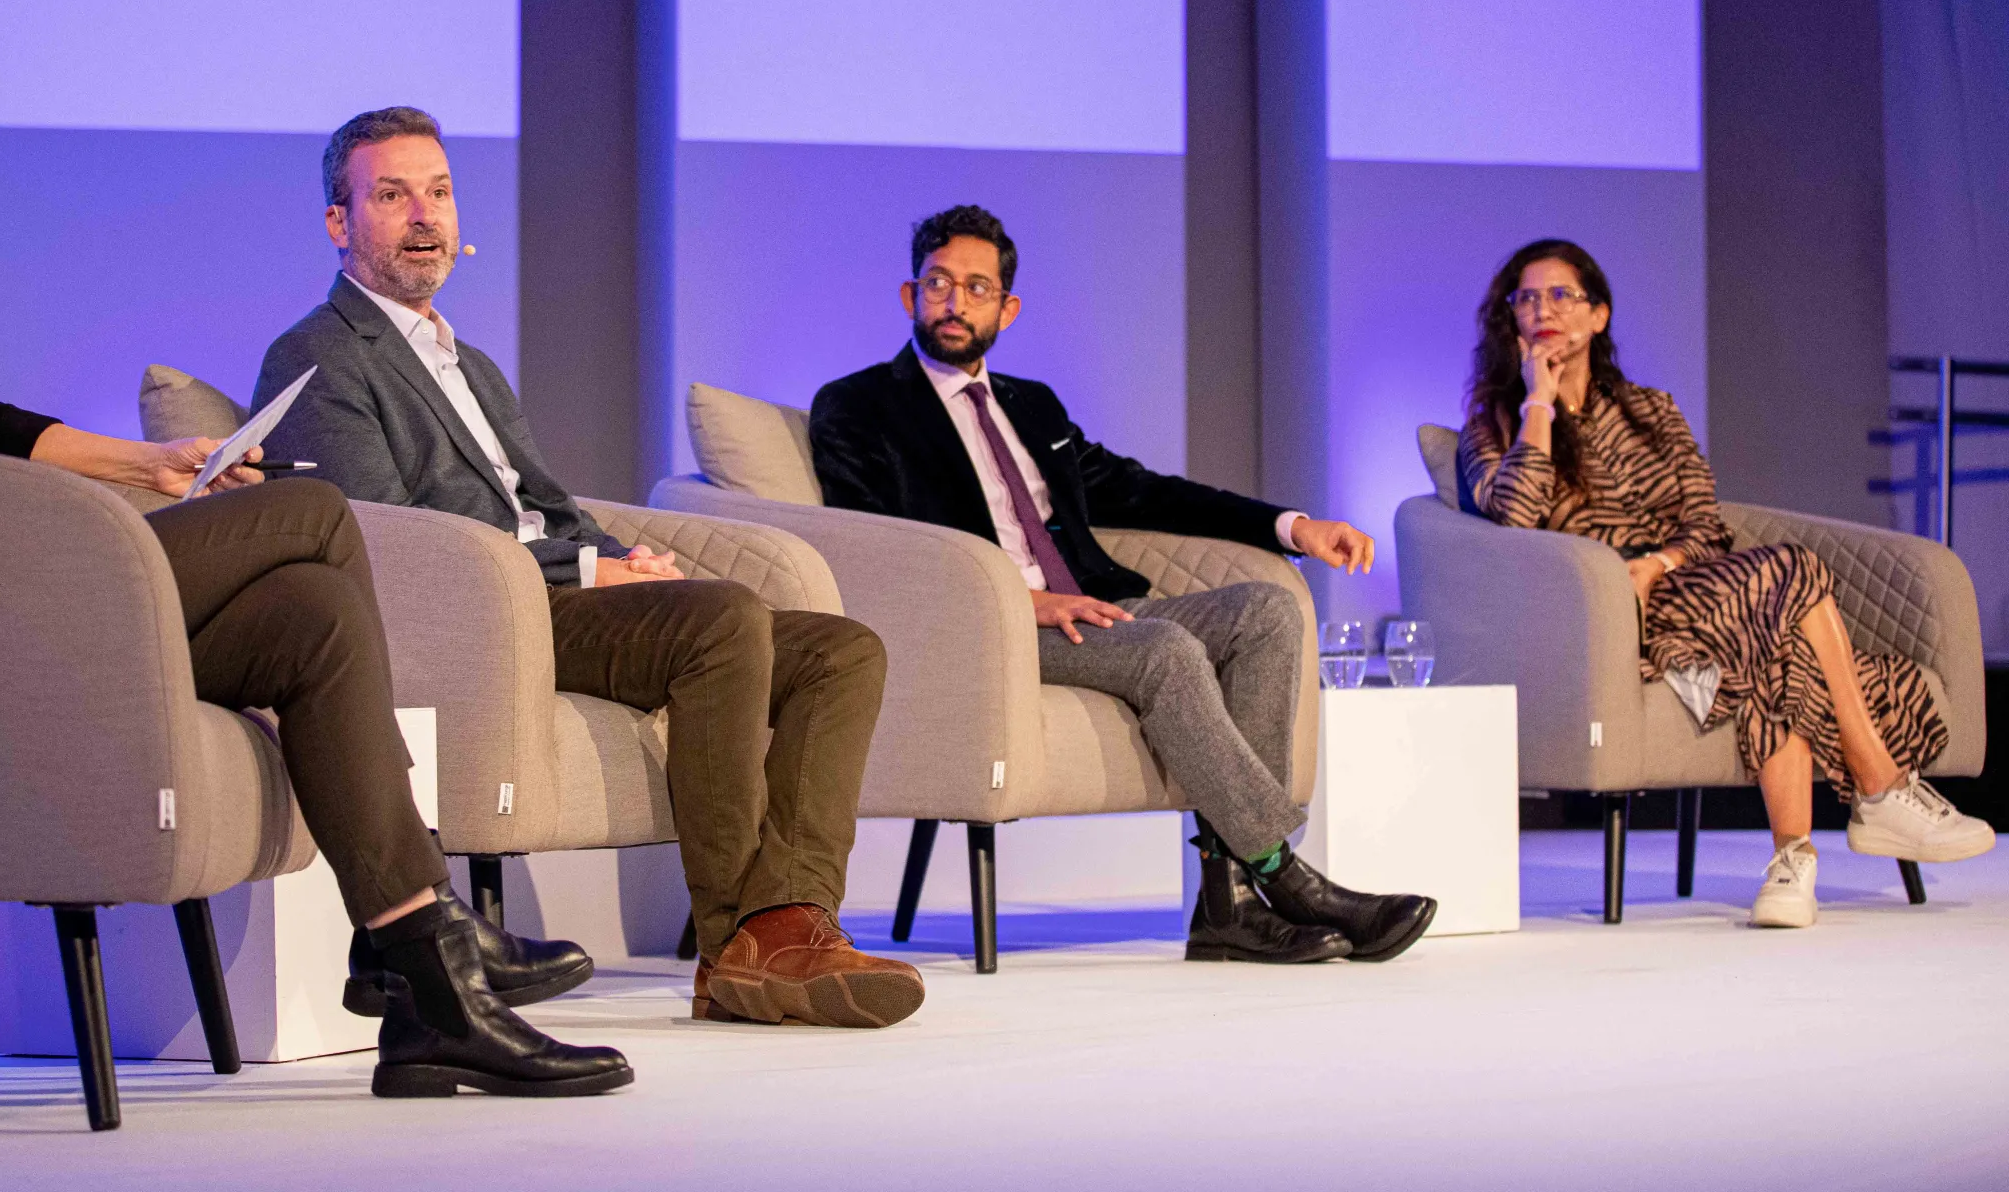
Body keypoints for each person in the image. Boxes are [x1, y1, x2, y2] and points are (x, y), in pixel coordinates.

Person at [0, 34, 630, 1099]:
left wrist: (147, 462)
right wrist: (107, 523)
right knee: (313, 512)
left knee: (313, 614)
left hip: (13, 594)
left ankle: (419, 972)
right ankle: (417, 945)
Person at [255, 106, 923, 1029]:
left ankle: (791, 918)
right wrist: (582, 573)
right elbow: (388, 537)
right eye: (393, 195)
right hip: (482, 619)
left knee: (842, 651)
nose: (425, 216)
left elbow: (547, 502)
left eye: (440, 193)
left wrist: (624, 559)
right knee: (721, 619)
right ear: (339, 223)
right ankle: (737, 947)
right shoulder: (319, 355)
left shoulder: (470, 364)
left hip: (549, 590)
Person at [811, 205, 1435, 965]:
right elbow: (879, 539)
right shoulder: (857, 405)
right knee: (1164, 649)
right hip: (993, 629)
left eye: (977, 288)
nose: (955, 301)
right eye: (939, 283)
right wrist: (1016, 597)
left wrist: (1292, 527)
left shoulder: (1031, 404)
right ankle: (1281, 874)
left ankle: (1228, 906)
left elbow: (1140, 490)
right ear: (910, 296)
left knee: (1267, 611)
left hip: (1100, 607)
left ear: (1006, 308)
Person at [1459, 238, 1994, 928]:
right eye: (1526, 298)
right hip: (1609, 618)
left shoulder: (1652, 411)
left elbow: (1706, 524)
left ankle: (1792, 864)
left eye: (1561, 294)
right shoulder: (1494, 424)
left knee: (1776, 643)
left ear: (1598, 315)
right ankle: (1880, 786)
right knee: (1791, 575)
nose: (1542, 310)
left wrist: (1660, 564)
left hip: (1694, 590)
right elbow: (1516, 514)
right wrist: (1538, 404)